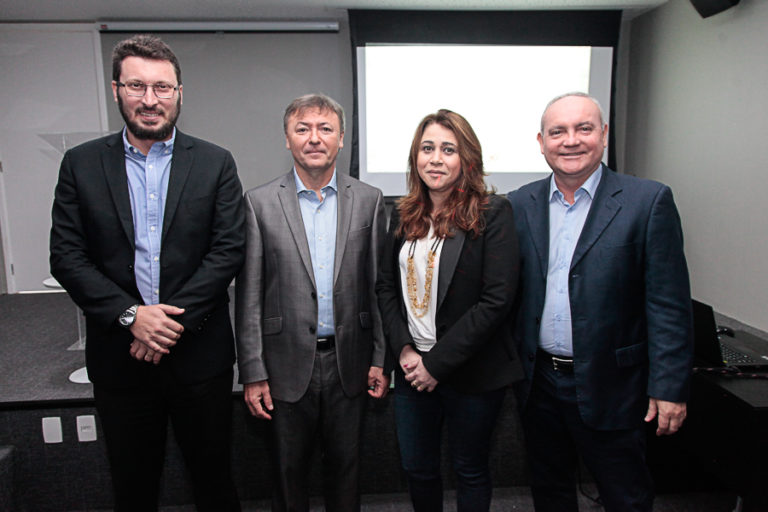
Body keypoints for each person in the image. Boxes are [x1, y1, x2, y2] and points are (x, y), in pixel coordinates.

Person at [49, 34, 243, 511]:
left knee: (215, 484)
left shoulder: (216, 163)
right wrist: (131, 316)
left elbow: (228, 250)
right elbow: (67, 256)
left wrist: (163, 324)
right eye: (137, 86)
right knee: (133, 488)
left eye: (163, 88)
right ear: (117, 90)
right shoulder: (81, 164)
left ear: (180, 93)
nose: (150, 100)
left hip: (200, 360)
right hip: (121, 361)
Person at [507, 92, 693, 511]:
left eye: (584, 128)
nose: (570, 141)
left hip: (614, 385)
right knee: (549, 491)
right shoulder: (519, 203)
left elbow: (668, 305)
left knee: (625, 495)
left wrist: (669, 388)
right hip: (539, 385)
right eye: (558, 132)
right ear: (541, 142)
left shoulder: (647, 202)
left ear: (604, 135)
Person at [235, 93, 389, 511]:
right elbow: (248, 294)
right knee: (287, 472)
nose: (314, 138)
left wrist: (380, 357)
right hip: (283, 363)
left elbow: (378, 287)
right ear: (287, 139)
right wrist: (252, 371)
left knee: (347, 468)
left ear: (342, 139)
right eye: (303, 129)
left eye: (325, 129)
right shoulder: (259, 202)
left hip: (350, 361)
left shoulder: (370, 200)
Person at [376, 109, 523, 511]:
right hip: (411, 370)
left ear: (467, 159)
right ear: (414, 157)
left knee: (469, 468)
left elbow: (496, 301)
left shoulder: (493, 213)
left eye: (448, 149)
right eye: (427, 149)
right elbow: (387, 287)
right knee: (417, 468)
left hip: (472, 370)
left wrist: (436, 365)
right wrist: (405, 350)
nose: (435, 159)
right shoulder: (403, 213)